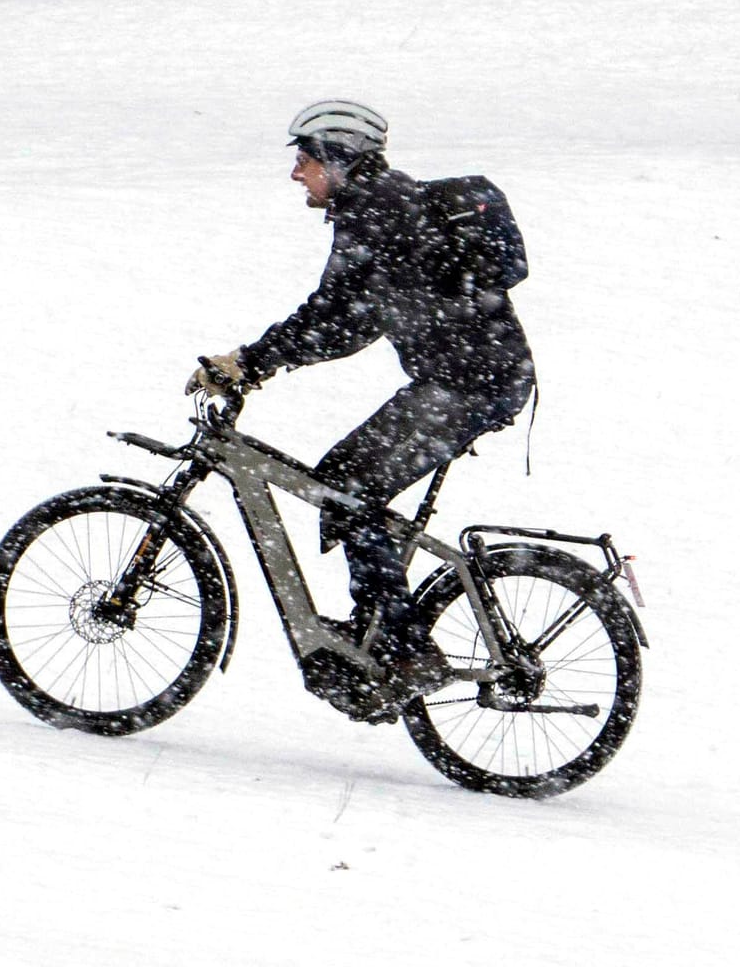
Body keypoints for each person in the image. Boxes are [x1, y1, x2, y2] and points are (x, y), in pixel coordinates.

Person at [186, 99, 536, 708]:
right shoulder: (380, 207)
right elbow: (349, 320)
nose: (297, 173)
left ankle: (403, 650)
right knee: (350, 487)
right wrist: (261, 359)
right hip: (462, 379)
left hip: (469, 384)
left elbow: (337, 318)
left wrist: (249, 361)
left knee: (349, 484)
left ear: (340, 160)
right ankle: (385, 630)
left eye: (305, 160)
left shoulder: (377, 212)